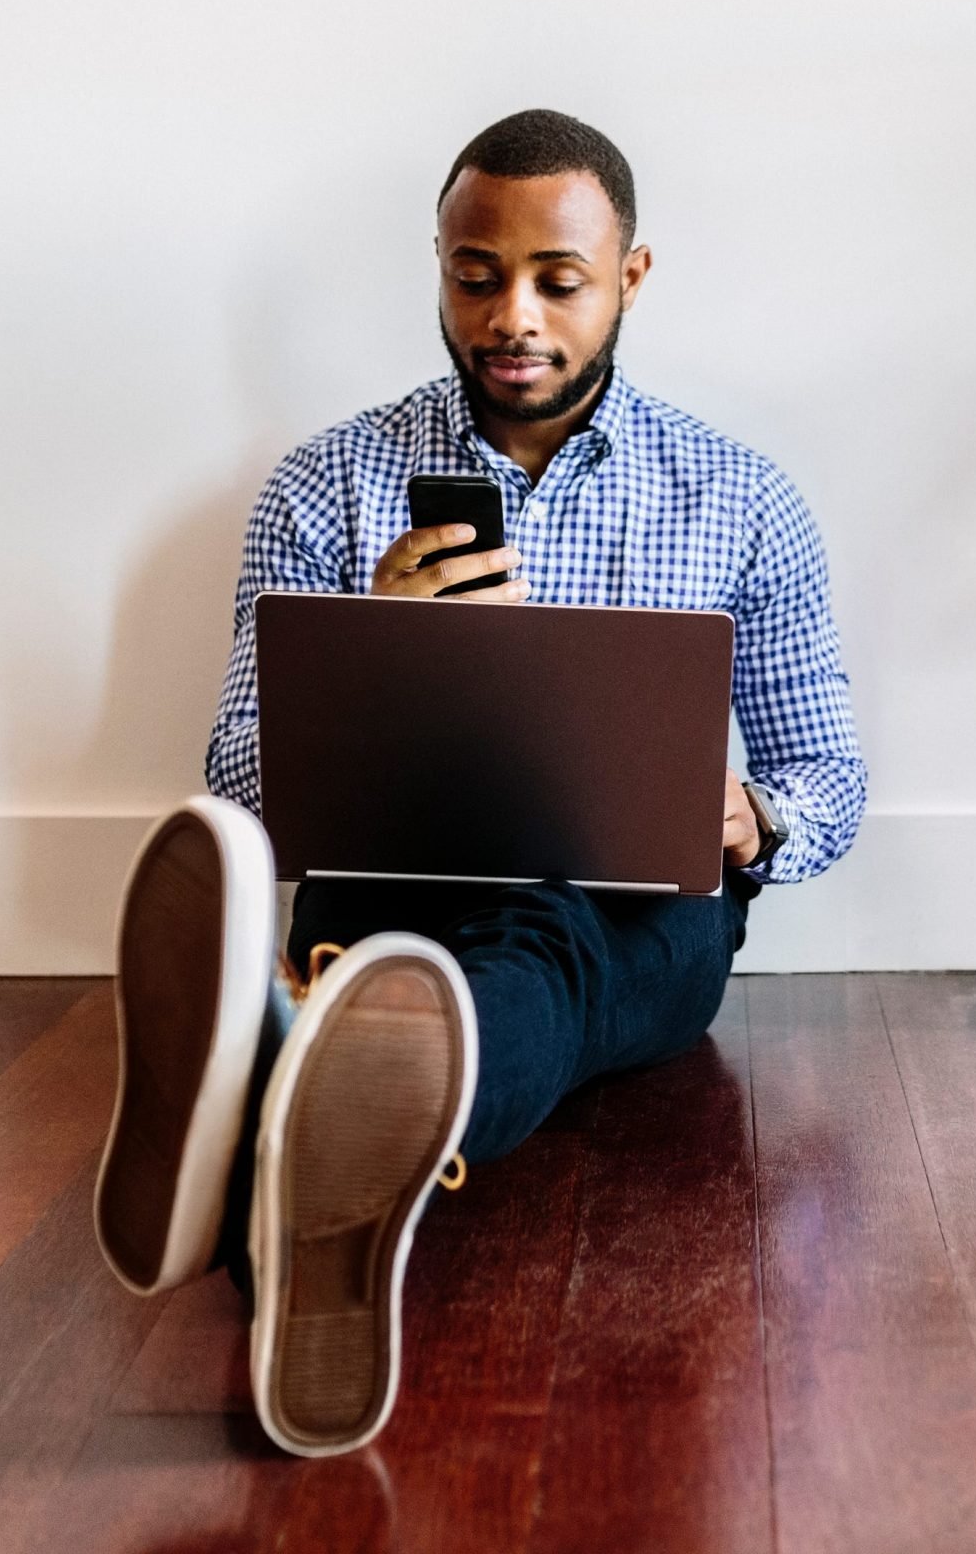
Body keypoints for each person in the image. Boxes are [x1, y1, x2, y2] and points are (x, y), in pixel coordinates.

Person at [89, 109, 867, 1457]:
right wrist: (381, 653)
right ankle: (318, 1139)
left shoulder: (740, 499)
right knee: (460, 962)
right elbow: (234, 788)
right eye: (475, 275)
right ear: (439, 266)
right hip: (394, 882)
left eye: (558, 283)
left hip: (643, 910)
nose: (513, 316)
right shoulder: (328, 487)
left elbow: (829, 773)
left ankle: (273, 1086)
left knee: (557, 937)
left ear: (629, 278)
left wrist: (763, 814)